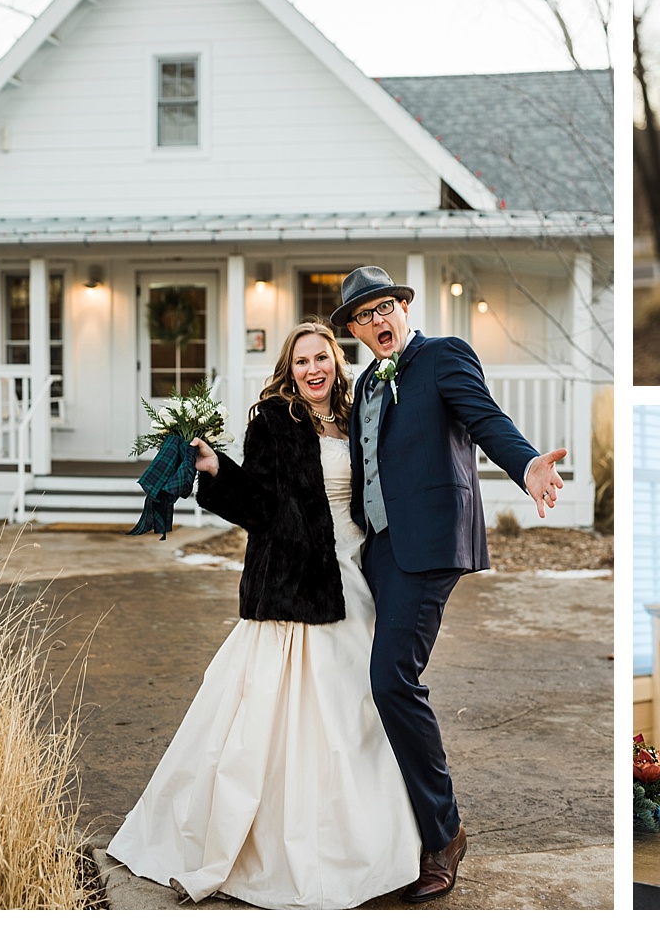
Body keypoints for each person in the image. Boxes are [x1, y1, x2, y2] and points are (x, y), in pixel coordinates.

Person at [108, 321, 420, 908]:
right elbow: (258, 504)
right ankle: (283, 847)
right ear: (289, 368)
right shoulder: (274, 421)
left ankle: (376, 842)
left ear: (337, 360)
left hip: (362, 572)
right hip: (296, 583)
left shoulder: (359, 417)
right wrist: (215, 468)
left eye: (321, 357)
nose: (312, 369)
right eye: (301, 361)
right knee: (294, 717)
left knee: (363, 708)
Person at [333, 265, 567, 902]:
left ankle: (444, 834)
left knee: (392, 680)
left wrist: (527, 466)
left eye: (386, 308)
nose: (378, 322)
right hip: (377, 548)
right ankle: (394, 826)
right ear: (353, 329)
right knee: (368, 680)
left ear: (405, 308)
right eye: (364, 315)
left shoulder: (442, 357)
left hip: (430, 545)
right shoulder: (365, 387)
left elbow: (485, 420)